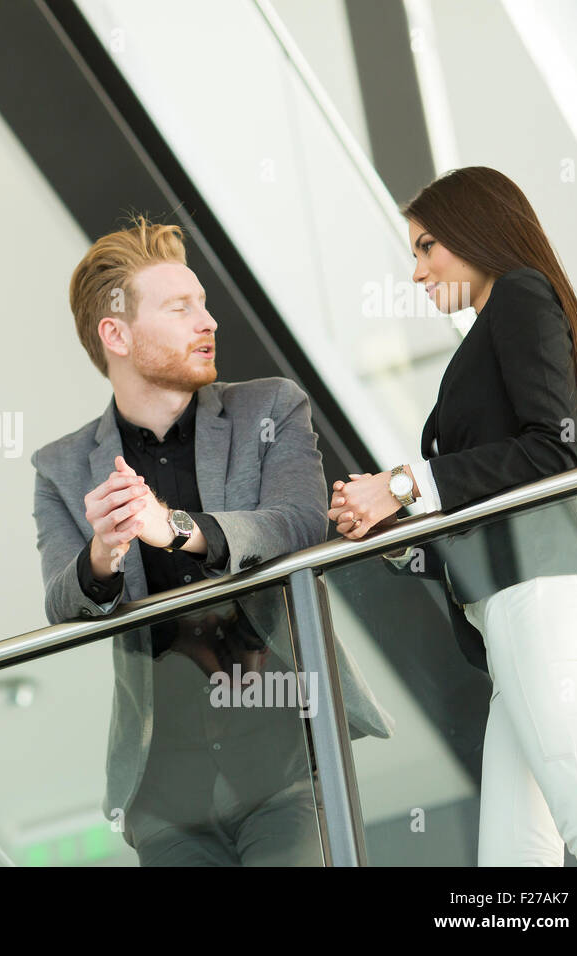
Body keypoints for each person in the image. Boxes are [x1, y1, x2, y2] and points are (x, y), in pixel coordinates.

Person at [31, 214, 392, 866]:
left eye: (203, 302)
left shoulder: (272, 408)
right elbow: (63, 601)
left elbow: (298, 522)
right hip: (167, 800)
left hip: (287, 764)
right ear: (116, 333)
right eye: (181, 307)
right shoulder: (60, 468)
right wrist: (104, 554)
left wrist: (171, 528)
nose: (210, 320)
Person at [327, 166, 577, 866]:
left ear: (476, 232)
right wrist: (398, 536)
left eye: (429, 247)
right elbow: (487, 502)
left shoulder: (520, 293)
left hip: (543, 599)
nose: (419, 272)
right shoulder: (495, 324)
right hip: (512, 611)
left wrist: (403, 483)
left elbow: (552, 453)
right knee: (514, 867)